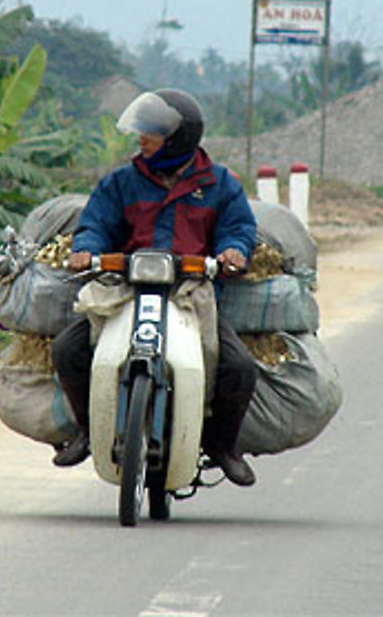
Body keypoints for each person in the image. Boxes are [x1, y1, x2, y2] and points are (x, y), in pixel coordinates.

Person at [50, 88, 260, 486]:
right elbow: (95, 223)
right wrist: (85, 249)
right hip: (126, 288)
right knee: (68, 349)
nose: (141, 139)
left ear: (178, 139)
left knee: (239, 368)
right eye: (141, 130)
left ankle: (221, 446)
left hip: (190, 293)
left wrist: (233, 250)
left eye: (151, 132)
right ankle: (88, 431)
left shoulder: (219, 184)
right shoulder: (122, 182)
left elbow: (238, 227)